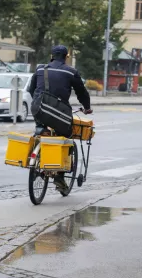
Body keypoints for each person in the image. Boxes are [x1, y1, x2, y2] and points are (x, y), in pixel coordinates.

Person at [28, 45, 92, 192]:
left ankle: (37, 156)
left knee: (41, 131)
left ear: (51, 56)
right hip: (58, 114)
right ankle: (59, 177)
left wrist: (40, 104)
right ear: (65, 57)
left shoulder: (40, 69)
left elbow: (31, 90)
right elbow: (82, 93)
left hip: (38, 110)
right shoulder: (71, 72)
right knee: (67, 137)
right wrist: (86, 108)